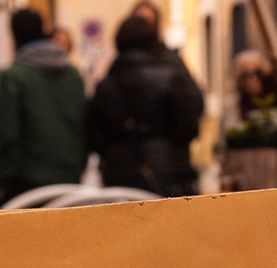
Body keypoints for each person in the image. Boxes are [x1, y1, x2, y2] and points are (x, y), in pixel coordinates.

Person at [87, 15, 204, 197]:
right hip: (168, 172)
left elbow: (95, 138)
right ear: (153, 42)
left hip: (119, 177)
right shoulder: (170, 79)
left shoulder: (105, 87)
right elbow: (188, 128)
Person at [0, 9, 89, 202]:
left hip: (29, 180)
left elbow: (10, 132)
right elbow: (84, 122)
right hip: (69, 174)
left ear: (13, 35)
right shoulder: (73, 74)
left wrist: (6, 176)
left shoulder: (15, 75)